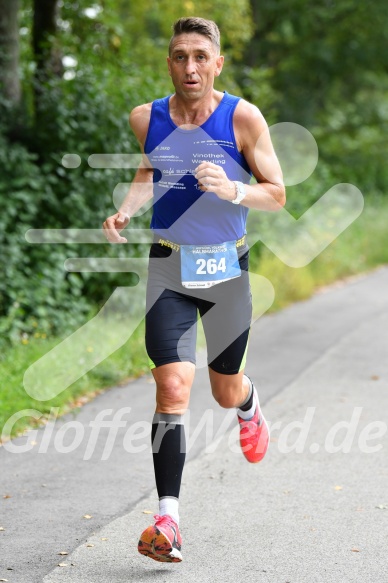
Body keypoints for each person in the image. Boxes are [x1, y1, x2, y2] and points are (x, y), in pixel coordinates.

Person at [103, 16, 285, 563]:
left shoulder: (243, 118)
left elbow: (275, 193)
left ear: (218, 63)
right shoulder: (147, 118)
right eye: (180, 56)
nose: (190, 66)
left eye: (200, 56)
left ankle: (249, 402)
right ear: (169, 62)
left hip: (227, 269)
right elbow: (149, 169)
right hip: (169, 267)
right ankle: (168, 520)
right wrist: (126, 210)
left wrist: (234, 188)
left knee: (223, 389)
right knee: (172, 389)